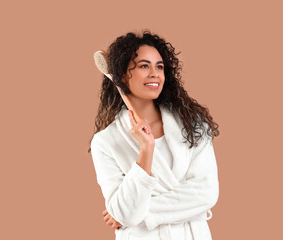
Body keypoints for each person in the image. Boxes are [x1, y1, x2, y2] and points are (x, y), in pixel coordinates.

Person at [88, 30, 220, 240]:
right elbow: (124, 212)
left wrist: (137, 212)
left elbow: (206, 193)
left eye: (159, 66)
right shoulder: (105, 142)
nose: (154, 74)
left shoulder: (193, 126)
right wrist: (146, 150)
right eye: (143, 66)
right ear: (122, 75)